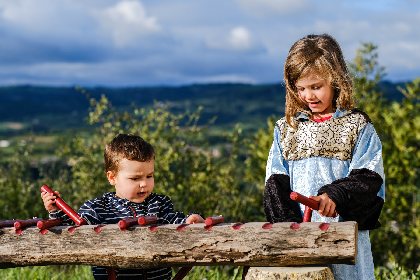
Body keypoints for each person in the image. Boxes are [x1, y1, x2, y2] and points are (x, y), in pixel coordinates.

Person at [263, 34, 385, 280]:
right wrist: (291, 231)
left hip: (344, 242)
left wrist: (336, 196)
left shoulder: (358, 127)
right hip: (300, 241)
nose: (308, 96)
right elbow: (274, 183)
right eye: (301, 88)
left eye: (316, 87)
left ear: (336, 80)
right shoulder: (286, 129)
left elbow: (370, 180)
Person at [41, 133, 204, 279]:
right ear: (112, 178)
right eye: (135, 178)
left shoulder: (159, 203)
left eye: (149, 176)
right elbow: (74, 230)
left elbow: (175, 221)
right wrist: (55, 212)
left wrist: (189, 220)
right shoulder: (98, 208)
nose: (144, 184)